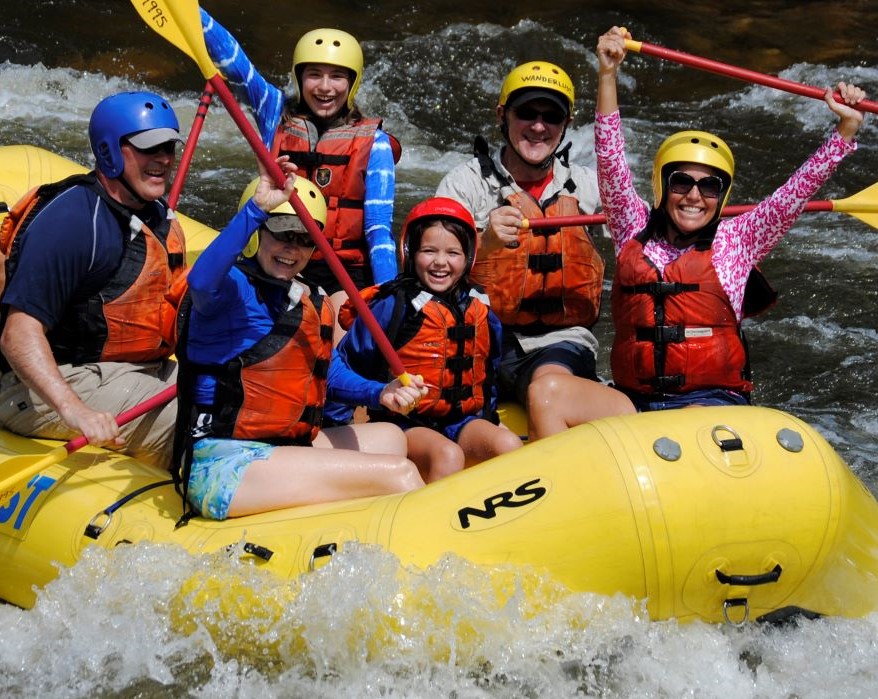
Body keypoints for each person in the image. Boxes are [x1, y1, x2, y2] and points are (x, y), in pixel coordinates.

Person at [595, 27, 867, 410]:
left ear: (721, 197)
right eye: (682, 182)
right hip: (635, 399)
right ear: (661, 186)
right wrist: (607, 72)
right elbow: (610, 158)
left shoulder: (740, 240)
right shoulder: (631, 227)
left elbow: (796, 192)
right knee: (550, 395)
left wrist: (845, 130)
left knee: (689, 419)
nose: (694, 196)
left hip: (710, 400)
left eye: (709, 187)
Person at [173, 160, 423, 520]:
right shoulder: (231, 289)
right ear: (258, 232)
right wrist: (257, 208)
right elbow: (200, 281)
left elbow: (330, 373)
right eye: (283, 234)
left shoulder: (304, 299)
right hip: (224, 463)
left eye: (305, 238)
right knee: (401, 475)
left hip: (280, 446)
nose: (293, 249)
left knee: (392, 439)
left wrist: (380, 393)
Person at [436, 61, 635, 440]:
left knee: (547, 389)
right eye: (526, 112)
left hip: (558, 341)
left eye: (552, 116)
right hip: (478, 337)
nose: (538, 126)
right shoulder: (464, 184)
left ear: (566, 124)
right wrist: (485, 244)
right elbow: (424, 270)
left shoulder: (590, 188)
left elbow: (641, 236)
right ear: (502, 115)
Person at [0, 90, 187, 468]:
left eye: (169, 147)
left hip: (135, 368)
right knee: (200, 425)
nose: (164, 159)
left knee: (250, 400)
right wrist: (77, 412)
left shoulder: (155, 214)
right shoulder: (73, 222)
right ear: (108, 153)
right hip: (47, 381)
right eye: (150, 148)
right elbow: (17, 334)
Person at [200, 10, 399, 347]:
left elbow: (378, 229)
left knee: (340, 348)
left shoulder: (374, 143)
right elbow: (233, 61)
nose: (324, 87)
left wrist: (390, 296)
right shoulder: (273, 110)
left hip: (342, 273)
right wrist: (193, 13)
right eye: (314, 74)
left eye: (337, 76)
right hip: (280, 254)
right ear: (298, 76)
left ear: (353, 82)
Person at [329, 197, 522, 482]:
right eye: (429, 251)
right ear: (410, 252)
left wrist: (491, 418)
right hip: (404, 422)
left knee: (509, 446)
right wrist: (336, 423)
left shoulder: (480, 310)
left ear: (468, 257)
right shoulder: (393, 306)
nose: (440, 262)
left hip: (461, 420)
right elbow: (348, 361)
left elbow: (488, 374)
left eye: (453, 253)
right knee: (447, 455)